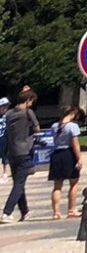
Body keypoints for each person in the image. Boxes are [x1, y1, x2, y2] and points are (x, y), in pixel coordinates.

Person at [2, 88, 38, 221]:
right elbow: (37, 128)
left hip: (12, 152)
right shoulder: (28, 113)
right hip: (24, 151)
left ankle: (25, 211)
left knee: (19, 182)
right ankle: (7, 212)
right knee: (19, 184)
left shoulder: (9, 114)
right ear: (28, 100)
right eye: (32, 101)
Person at [47, 107, 82, 220]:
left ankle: (56, 212)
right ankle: (71, 209)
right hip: (68, 153)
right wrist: (79, 158)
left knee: (57, 185)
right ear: (72, 114)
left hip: (57, 154)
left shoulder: (54, 126)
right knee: (74, 182)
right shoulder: (73, 126)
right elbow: (75, 144)